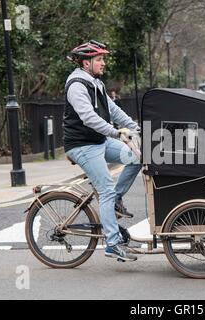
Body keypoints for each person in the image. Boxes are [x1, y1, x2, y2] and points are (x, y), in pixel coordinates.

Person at [64, 40, 141, 262]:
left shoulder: (96, 83)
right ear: (86, 63)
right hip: (82, 145)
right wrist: (117, 134)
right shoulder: (77, 85)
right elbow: (88, 117)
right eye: (99, 59)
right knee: (106, 188)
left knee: (136, 156)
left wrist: (136, 128)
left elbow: (113, 110)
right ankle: (113, 243)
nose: (103, 63)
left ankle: (116, 199)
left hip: (99, 141)